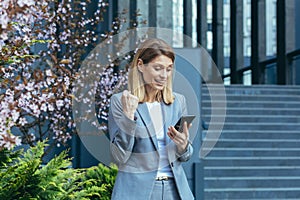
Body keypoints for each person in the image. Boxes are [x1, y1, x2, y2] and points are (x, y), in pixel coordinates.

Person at [108, 38, 194, 200]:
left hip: (174, 190)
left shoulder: (178, 101)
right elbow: (120, 157)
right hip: (137, 192)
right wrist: (128, 118)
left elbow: (185, 155)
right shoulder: (121, 101)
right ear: (140, 65)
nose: (164, 75)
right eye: (158, 68)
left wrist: (183, 146)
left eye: (168, 69)